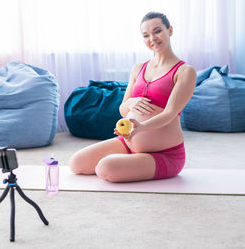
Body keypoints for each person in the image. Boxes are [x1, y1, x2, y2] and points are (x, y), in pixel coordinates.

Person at [68, 12, 197, 182]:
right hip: (128, 144)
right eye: (146, 35)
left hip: (164, 155)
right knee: (76, 163)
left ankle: (133, 163)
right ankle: (130, 158)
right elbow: (123, 110)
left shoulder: (185, 72)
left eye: (157, 31)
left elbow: (170, 113)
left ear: (170, 30)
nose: (152, 38)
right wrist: (131, 101)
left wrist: (141, 127)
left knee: (105, 168)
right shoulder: (138, 68)